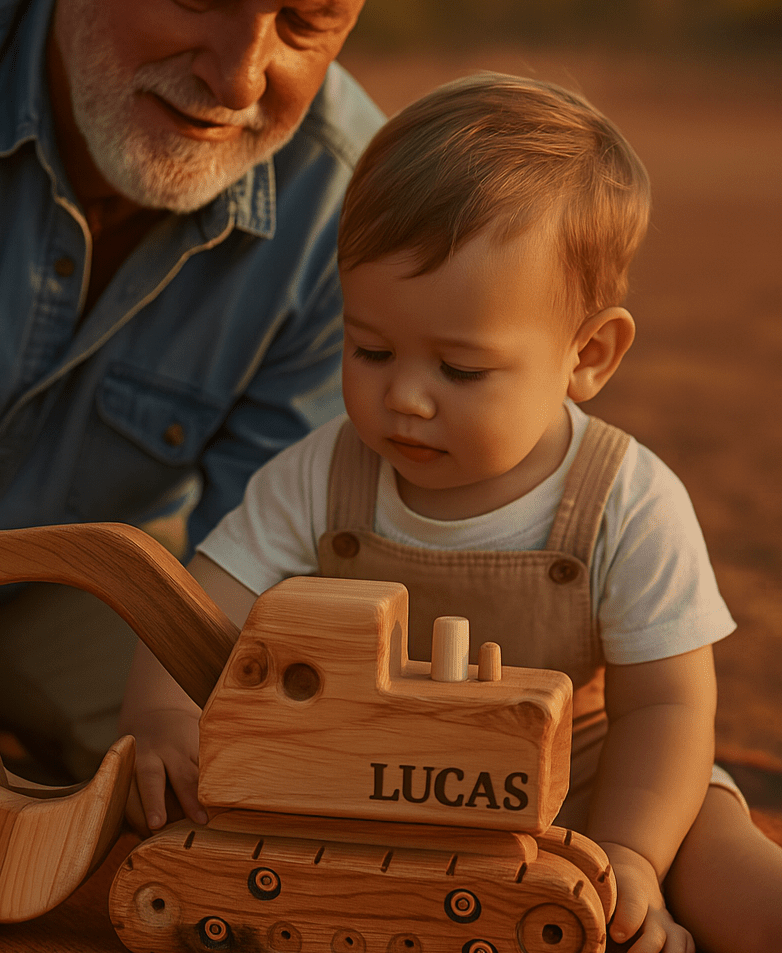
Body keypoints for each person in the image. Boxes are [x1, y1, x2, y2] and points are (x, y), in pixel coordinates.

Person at [0, 0, 524, 933]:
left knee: (265, 792)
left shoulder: (348, 218)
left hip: (91, 587)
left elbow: (283, 592)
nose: (240, 76)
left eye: (307, 24)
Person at [119, 72, 782, 953]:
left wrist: (630, 854)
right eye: (371, 349)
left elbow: (665, 708)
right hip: (370, 783)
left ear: (589, 355)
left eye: (460, 370)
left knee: (736, 883)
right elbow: (196, 617)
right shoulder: (320, 478)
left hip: (591, 784)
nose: (405, 397)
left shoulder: (626, 500)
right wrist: (164, 719)